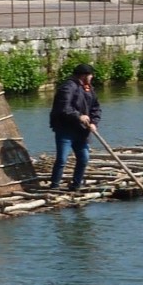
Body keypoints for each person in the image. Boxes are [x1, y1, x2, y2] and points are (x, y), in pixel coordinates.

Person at [49, 63, 101, 191]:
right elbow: (64, 108)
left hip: (81, 131)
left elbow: (96, 108)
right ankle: (54, 186)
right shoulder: (67, 87)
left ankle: (76, 185)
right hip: (65, 129)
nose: (92, 77)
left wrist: (94, 122)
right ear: (83, 75)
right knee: (62, 159)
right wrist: (79, 116)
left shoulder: (89, 88)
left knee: (84, 158)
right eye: (90, 75)